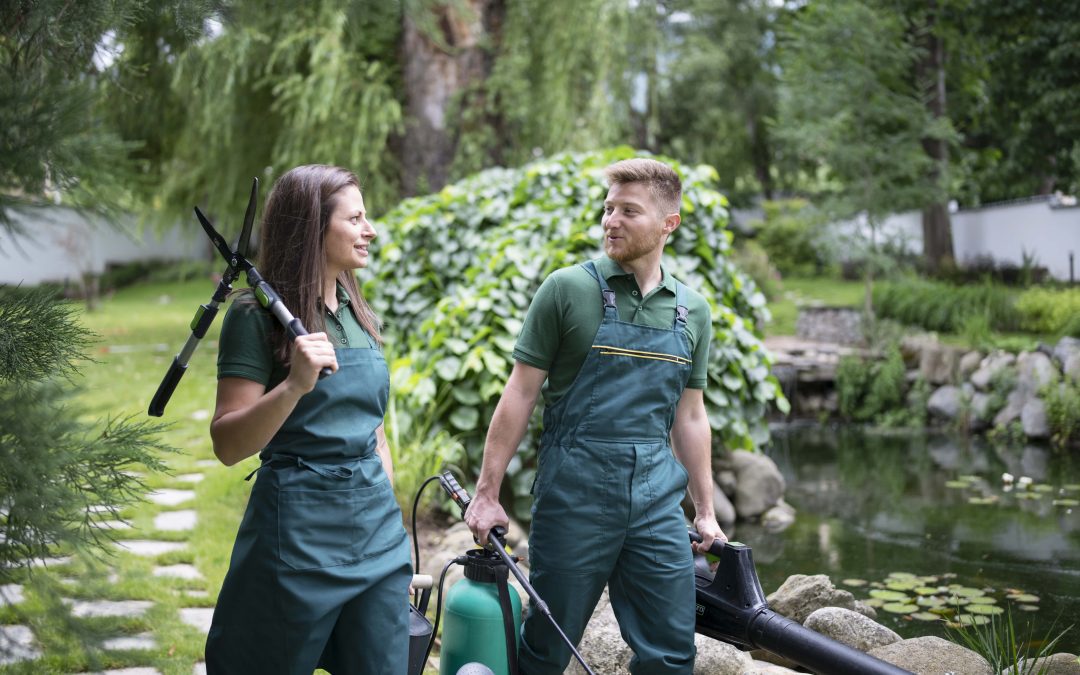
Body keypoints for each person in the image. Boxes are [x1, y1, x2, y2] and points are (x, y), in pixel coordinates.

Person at [465, 157, 727, 674]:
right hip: (574, 498)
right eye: (608, 208)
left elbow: (690, 418)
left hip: (656, 502)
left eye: (630, 211)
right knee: (545, 648)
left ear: (668, 224)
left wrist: (705, 510)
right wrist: (487, 493)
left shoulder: (691, 310)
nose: (611, 221)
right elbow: (518, 395)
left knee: (673, 654)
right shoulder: (567, 290)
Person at [204, 165, 412, 674]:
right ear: (314, 227)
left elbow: (374, 429)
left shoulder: (357, 312)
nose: (372, 230)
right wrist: (294, 385)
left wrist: (388, 518)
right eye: (357, 218)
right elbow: (228, 443)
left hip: (375, 535)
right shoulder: (254, 316)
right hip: (295, 535)